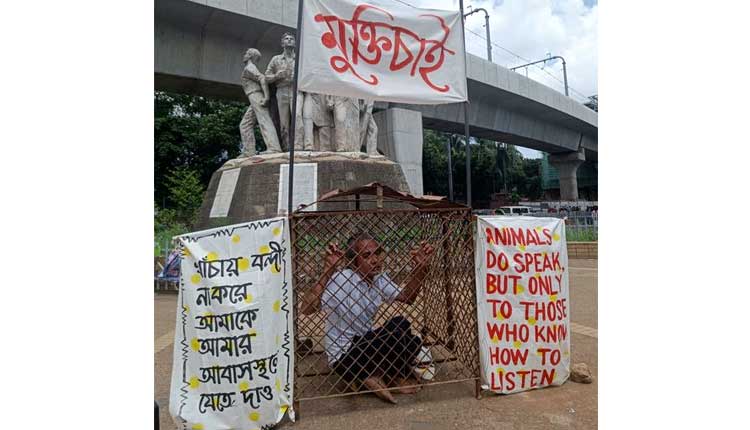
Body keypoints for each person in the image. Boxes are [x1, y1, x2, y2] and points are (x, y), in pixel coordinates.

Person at [301, 233, 435, 403]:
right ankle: (385, 376)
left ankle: (372, 376)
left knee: (401, 323)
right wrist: (328, 270)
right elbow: (306, 309)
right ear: (354, 263)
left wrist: (420, 269)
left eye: (377, 253)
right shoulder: (343, 279)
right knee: (402, 339)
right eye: (366, 256)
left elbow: (407, 297)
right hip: (345, 355)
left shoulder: (378, 279)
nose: (375, 260)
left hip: (365, 343)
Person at [239, 48, 281, 154]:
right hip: (253, 97)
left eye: (247, 53)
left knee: (264, 120)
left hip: (256, 96)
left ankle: (274, 148)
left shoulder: (249, 67)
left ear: (250, 56)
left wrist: (266, 97)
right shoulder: (250, 67)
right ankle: (249, 151)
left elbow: (262, 78)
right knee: (245, 124)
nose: (244, 55)